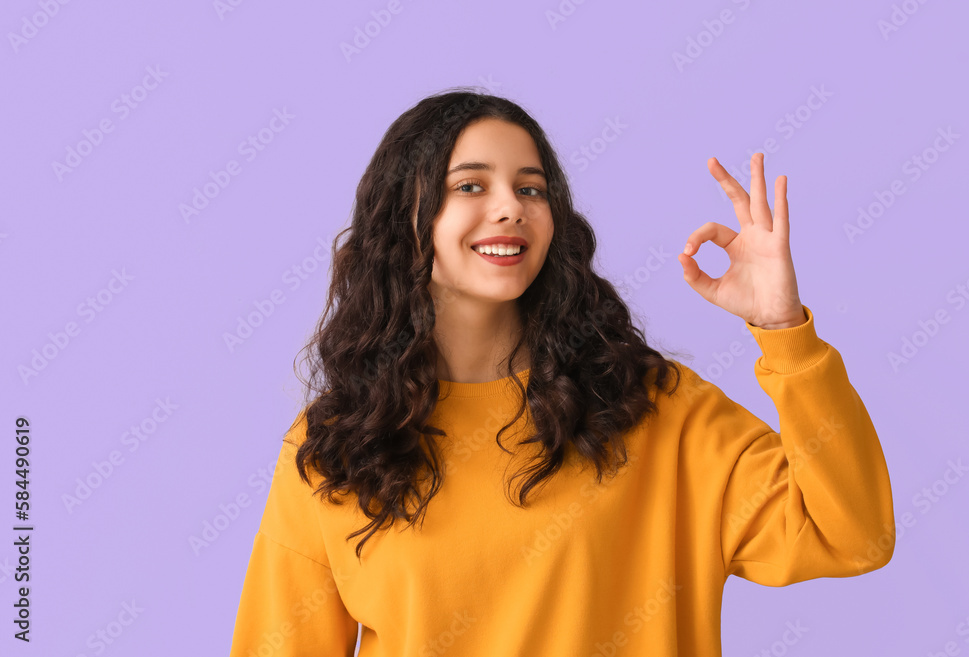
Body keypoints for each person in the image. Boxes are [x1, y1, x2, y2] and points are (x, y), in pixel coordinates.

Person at [228, 87, 895, 657]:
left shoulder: (655, 408)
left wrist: (784, 332)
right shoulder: (337, 446)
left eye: (531, 188)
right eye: (470, 185)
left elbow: (854, 535)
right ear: (404, 215)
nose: (510, 206)